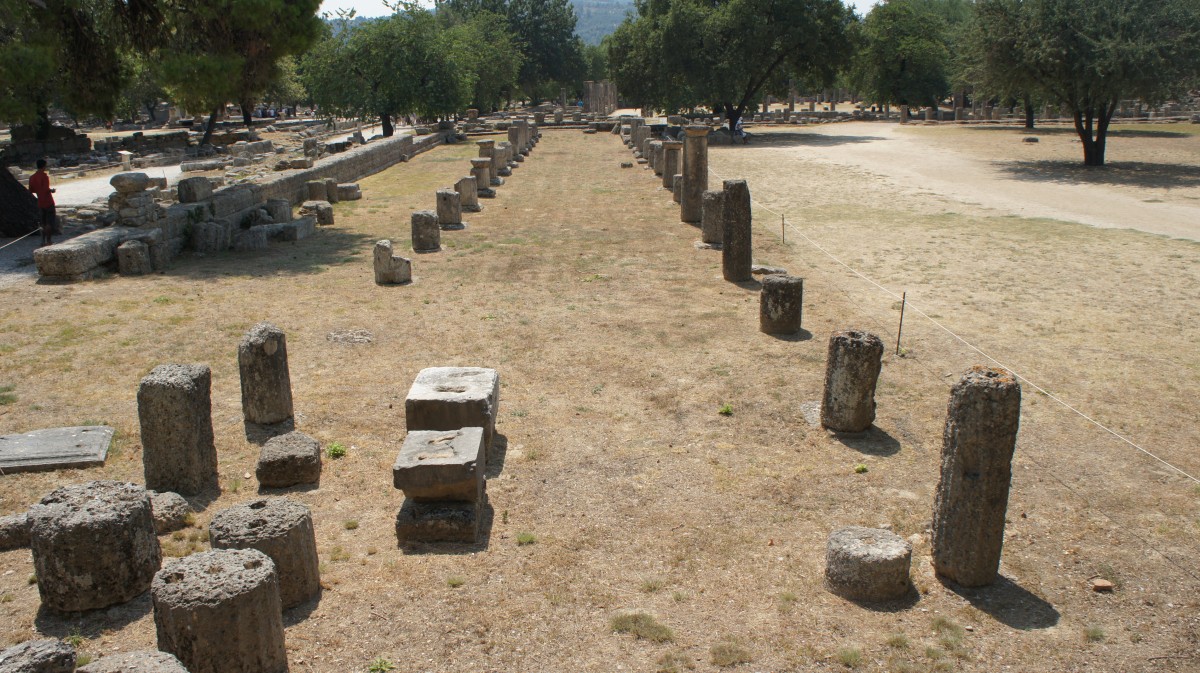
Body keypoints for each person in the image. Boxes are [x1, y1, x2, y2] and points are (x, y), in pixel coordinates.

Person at [28, 158, 56, 247]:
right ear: (44, 166)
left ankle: (43, 241)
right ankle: (49, 240)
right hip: (48, 201)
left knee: (42, 223)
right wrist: (51, 190)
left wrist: (38, 191)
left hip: (40, 202)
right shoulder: (44, 176)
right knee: (49, 222)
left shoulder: (32, 177)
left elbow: (31, 190)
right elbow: (45, 189)